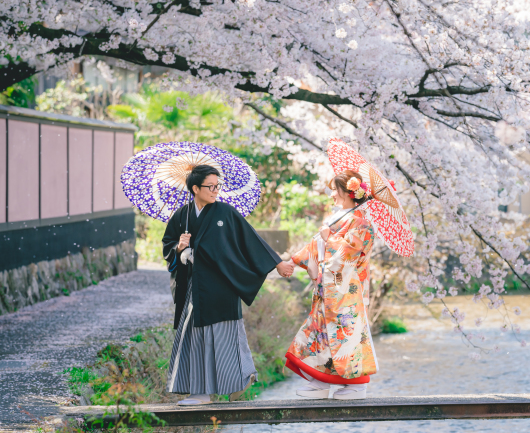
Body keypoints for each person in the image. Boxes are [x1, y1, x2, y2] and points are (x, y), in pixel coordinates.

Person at [162, 164, 295, 406]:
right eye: (210, 187)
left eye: (217, 186)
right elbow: (168, 245)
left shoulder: (225, 212)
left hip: (222, 286)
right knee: (194, 336)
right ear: (195, 188)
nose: (215, 191)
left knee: (225, 337)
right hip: (194, 287)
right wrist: (180, 250)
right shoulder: (182, 215)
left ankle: (239, 380)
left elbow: (250, 240)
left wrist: (276, 263)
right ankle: (200, 392)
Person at [281, 170, 378, 400]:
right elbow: (314, 246)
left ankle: (356, 386)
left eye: (335, 189)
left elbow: (348, 256)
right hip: (327, 290)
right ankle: (319, 382)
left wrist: (329, 239)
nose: (332, 194)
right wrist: (292, 261)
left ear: (348, 192)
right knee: (320, 333)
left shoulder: (362, 224)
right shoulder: (337, 219)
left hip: (346, 292)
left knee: (346, 337)